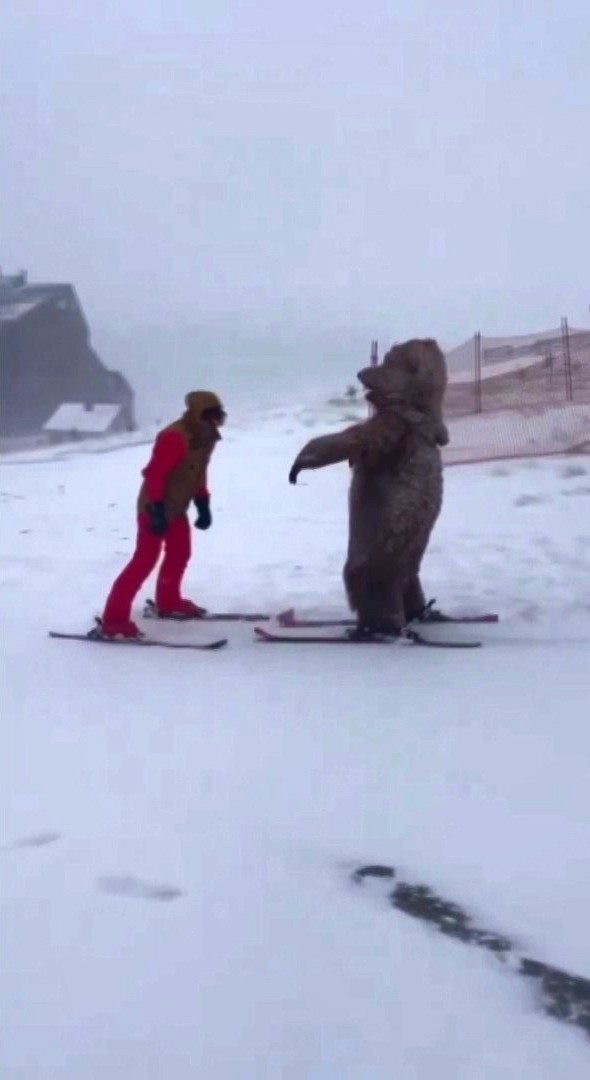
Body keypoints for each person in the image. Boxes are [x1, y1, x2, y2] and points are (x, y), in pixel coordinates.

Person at [288, 339, 448, 637]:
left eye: (391, 368)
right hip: (421, 501)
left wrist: (310, 454)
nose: (370, 377)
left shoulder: (397, 421)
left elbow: (358, 440)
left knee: (373, 566)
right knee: (404, 560)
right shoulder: (426, 423)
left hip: (393, 503)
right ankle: (410, 606)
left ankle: (381, 621)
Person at [100, 391, 226, 639]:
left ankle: (169, 601)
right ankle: (113, 621)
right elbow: (155, 475)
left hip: (177, 508)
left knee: (180, 552)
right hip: (154, 508)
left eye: (218, 417)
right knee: (144, 561)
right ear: (197, 415)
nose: (215, 422)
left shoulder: (205, 438)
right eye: (210, 416)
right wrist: (156, 511)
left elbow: (198, 472)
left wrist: (202, 502)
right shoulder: (173, 438)